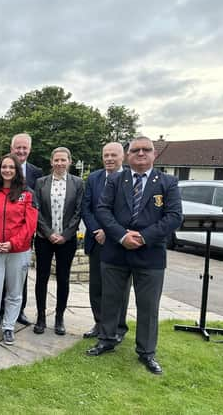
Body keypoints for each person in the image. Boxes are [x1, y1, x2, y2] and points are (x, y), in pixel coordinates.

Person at [87, 136, 182, 375]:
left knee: (148, 306)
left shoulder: (168, 182)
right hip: (116, 251)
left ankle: (147, 352)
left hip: (150, 254)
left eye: (146, 150)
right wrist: (121, 236)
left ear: (154, 154)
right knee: (111, 299)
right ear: (128, 155)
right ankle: (107, 339)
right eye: (135, 150)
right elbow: (102, 209)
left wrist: (142, 237)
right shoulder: (117, 180)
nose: (141, 154)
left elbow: (174, 216)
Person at [0, 154, 38, 345]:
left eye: (11, 167)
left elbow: (29, 225)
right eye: (4, 167)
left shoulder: (27, 194)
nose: (7, 170)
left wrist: (12, 243)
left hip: (18, 251)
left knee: (14, 291)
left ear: (17, 170)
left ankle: (9, 327)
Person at [0, 133, 43, 325]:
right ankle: (1, 311)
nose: (21, 151)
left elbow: (37, 206)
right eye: (17, 148)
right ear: (12, 149)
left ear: (29, 149)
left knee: (20, 276)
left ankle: (19, 312)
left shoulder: (37, 173)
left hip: (22, 239)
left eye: (25, 148)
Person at [81, 142, 130, 340]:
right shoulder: (94, 178)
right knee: (97, 286)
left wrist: (110, 233)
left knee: (119, 288)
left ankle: (118, 328)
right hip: (97, 241)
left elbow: (128, 213)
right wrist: (95, 230)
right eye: (106, 155)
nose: (109, 158)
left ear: (122, 157)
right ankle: (99, 323)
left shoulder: (130, 179)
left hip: (119, 243)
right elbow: (86, 208)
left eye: (113, 155)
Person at [33, 147, 84, 336]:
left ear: (69, 161)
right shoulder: (41, 182)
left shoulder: (78, 183)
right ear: (51, 162)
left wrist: (65, 234)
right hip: (44, 239)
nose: (60, 163)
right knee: (42, 278)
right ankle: (40, 317)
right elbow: (36, 209)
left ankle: (59, 317)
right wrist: (48, 233)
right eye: (57, 160)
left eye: (63, 160)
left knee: (63, 278)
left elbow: (79, 211)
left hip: (67, 239)